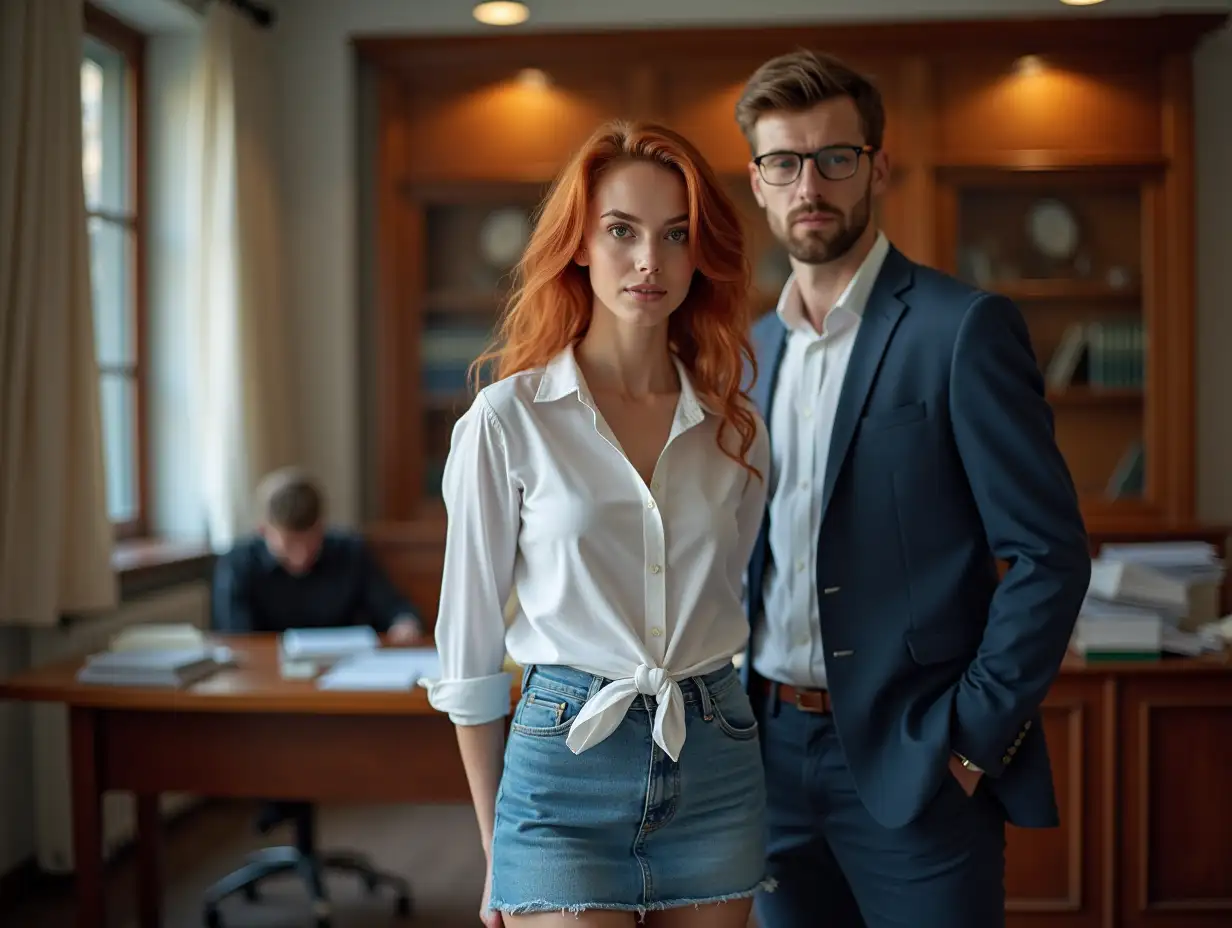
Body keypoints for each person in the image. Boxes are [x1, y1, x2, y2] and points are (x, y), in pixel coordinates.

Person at [734, 50, 1092, 928]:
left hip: (917, 761)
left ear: (878, 167)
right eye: (784, 161)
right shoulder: (746, 355)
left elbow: (1048, 556)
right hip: (767, 757)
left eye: (835, 158)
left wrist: (970, 741)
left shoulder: (961, 329)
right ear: (757, 182)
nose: (808, 183)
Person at [421, 120, 771, 928]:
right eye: (622, 230)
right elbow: (469, 656)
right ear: (579, 242)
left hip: (714, 751)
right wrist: (494, 847)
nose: (649, 261)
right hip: (562, 770)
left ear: (698, 254)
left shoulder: (735, 427)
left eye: (675, 235)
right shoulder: (507, 421)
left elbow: (731, 582)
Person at [212, 466, 425, 644]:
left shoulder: (349, 552)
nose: (301, 555)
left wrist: (405, 623)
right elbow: (238, 638)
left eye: (310, 541)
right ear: (263, 530)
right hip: (266, 679)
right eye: (289, 544)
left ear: (322, 526)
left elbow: (393, 606)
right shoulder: (237, 564)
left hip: (343, 676)